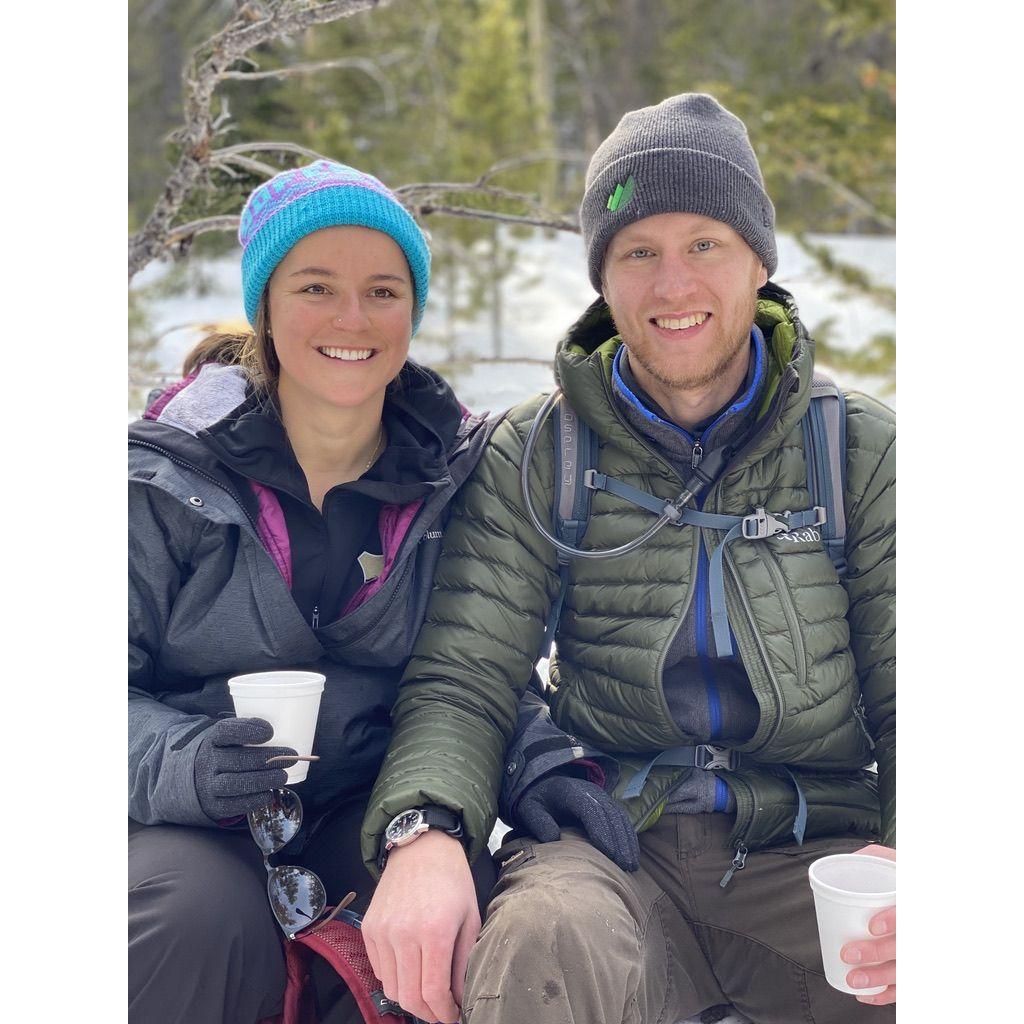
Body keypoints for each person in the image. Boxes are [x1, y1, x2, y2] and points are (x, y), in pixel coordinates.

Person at [359, 94, 896, 1024]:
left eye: (705, 245)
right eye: (638, 252)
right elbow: (465, 675)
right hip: (612, 846)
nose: (672, 284)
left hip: (815, 852)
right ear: (603, 278)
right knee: (535, 947)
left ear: (760, 261)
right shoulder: (538, 452)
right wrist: (426, 828)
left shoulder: (856, 452)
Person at [128, 160, 497, 1024]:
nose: (351, 319)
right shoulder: (161, 478)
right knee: (199, 915)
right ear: (265, 306)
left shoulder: (456, 479)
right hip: (180, 821)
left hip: (369, 805)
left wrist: (546, 766)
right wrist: (183, 764)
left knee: (445, 907)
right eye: (316, 287)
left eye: (383, 290)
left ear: (415, 309)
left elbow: (485, 668)